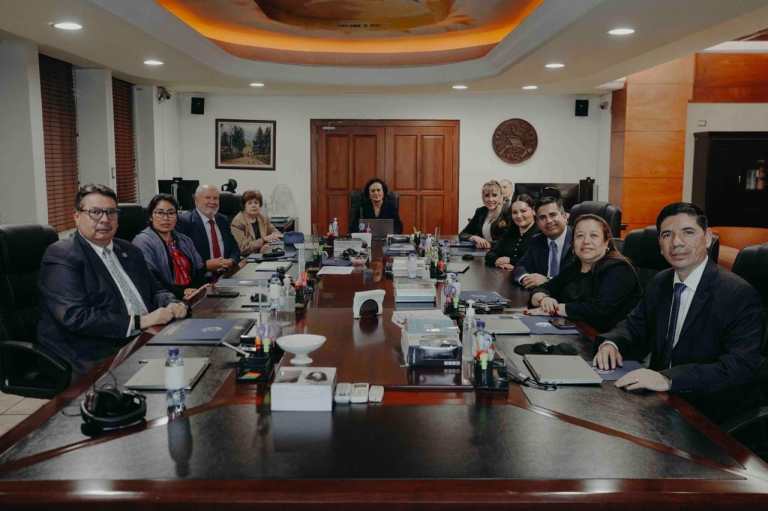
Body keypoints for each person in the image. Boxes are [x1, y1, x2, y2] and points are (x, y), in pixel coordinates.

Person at [593, 202, 764, 423]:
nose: (676, 242)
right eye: (667, 235)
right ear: (660, 245)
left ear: (707, 238)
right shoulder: (660, 282)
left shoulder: (738, 294)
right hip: (659, 403)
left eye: (688, 232)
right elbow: (635, 325)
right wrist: (612, 343)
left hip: (709, 410)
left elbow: (738, 367)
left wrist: (668, 379)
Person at [37, 184, 187, 374]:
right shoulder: (62, 255)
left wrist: (172, 303)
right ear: (77, 216)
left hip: (144, 338)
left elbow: (155, 290)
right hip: (94, 352)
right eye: (95, 212)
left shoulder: (129, 250)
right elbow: (75, 316)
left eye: (111, 212)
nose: (105, 219)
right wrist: (139, 322)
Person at [527, 214, 641, 332]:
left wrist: (556, 308)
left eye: (594, 235)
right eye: (580, 236)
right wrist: (543, 299)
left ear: (606, 242)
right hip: (572, 331)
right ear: (573, 243)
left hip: (605, 338)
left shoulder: (619, 269)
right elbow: (544, 288)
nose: (586, 241)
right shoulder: (575, 267)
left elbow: (600, 311)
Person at [133, 194, 206, 300]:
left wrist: (196, 290)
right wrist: (182, 293)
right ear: (150, 216)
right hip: (166, 300)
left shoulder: (185, 240)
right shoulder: (142, 242)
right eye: (160, 213)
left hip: (193, 296)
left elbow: (199, 270)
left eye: (171, 213)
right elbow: (152, 279)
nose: (166, 218)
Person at [512, 196, 574, 289]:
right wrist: (526, 278)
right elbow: (520, 267)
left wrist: (548, 281)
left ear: (564, 216)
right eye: (542, 217)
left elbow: (579, 277)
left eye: (553, 215)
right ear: (537, 222)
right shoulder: (537, 240)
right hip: (540, 293)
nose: (548, 221)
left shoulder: (577, 239)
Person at [177, 184, 240, 274]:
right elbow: (183, 258)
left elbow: (234, 248)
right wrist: (205, 265)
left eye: (215, 198)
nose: (212, 202)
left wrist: (232, 261)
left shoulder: (223, 220)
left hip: (226, 274)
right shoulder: (185, 222)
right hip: (201, 277)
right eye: (207, 198)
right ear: (196, 200)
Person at [484, 194, 538, 269]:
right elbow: (490, 254)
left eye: (523, 211)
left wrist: (510, 261)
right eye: (515, 212)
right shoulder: (510, 232)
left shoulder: (540, 234)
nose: (518, 216)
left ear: (533, 211)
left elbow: (536, 263)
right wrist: (497, 261)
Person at [459, 180, 512, 249]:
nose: (490, 199)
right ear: (483, 198)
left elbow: (509, 240)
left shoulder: (508, 212)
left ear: (501, 196)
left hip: (502, 253)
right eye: (487, 195)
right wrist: (473, 237)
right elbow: (462, 234)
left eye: (494, 195)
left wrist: (490, 244)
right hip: (482, 252)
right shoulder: (480, 211)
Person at [230, 190, 283, 256]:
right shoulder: (238, 222)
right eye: (250, 203)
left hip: (263, 255)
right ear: (244, 206)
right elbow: (244, 248)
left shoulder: (262, 218)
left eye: (256, 203)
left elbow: (276, 233)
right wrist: (263, 240)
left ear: (260, 205)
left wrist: (275, 237)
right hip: (246, 258)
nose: (254, 205)